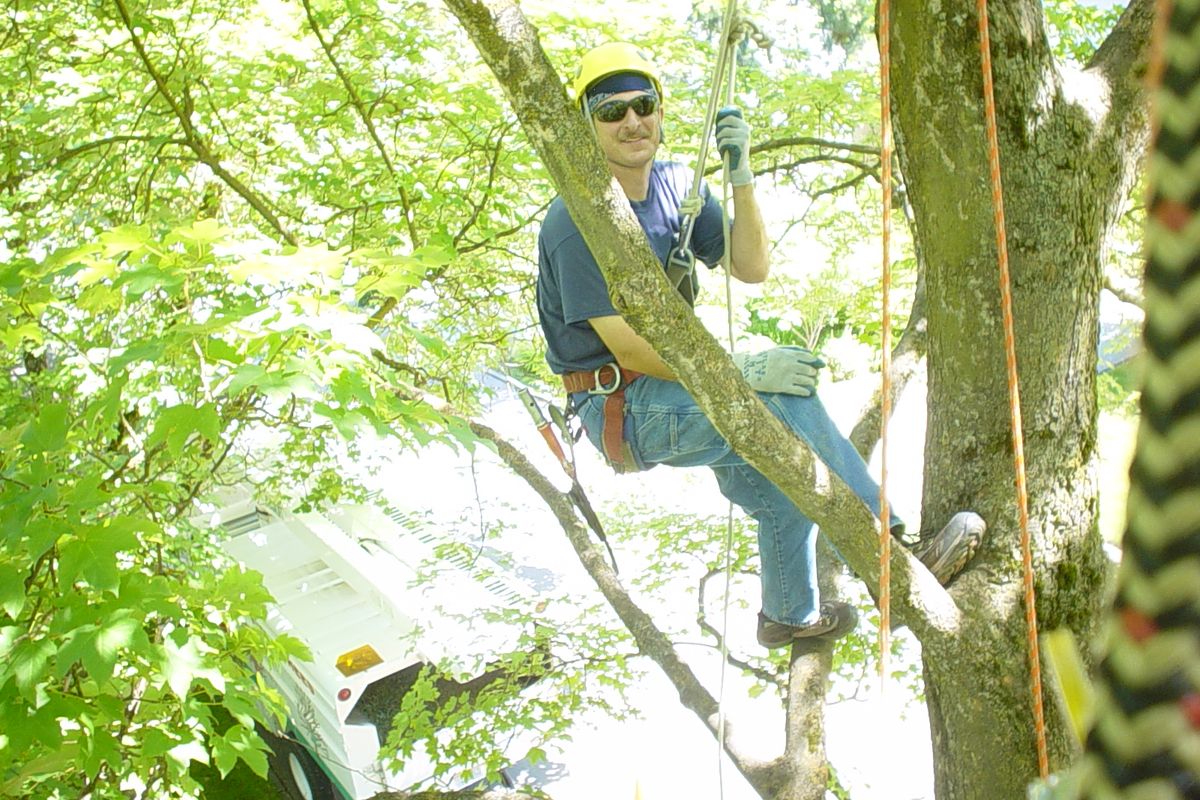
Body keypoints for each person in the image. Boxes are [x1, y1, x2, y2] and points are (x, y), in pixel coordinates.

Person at [535, 42, 986, 649]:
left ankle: (787, 615)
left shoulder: (674, 189)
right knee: (782, 406)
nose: (632, 122)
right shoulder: (573, 221)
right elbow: (632, 351)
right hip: (625, 406)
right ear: (587, 126)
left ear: (661, 113)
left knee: (784, 488)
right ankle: (896, 559)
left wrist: (740, 171)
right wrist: (746, 371)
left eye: (643, 105)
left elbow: (751, 265)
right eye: (611, 111)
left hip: (676, 387)